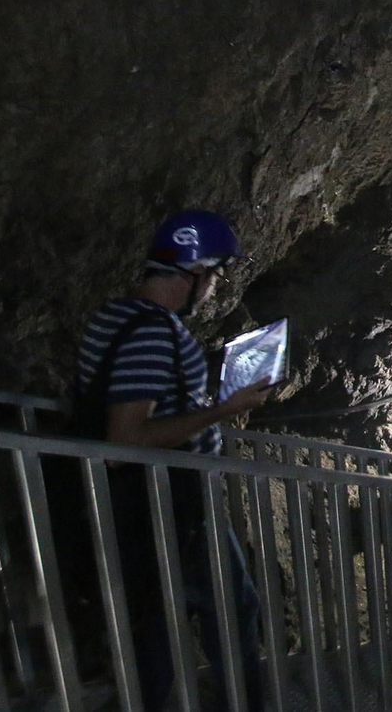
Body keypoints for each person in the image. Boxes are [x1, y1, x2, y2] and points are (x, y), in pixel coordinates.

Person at [74, 209, 274, 712]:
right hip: (172, 504)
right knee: (230, 610)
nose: (214, 289)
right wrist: (223, 410)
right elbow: (125, 436)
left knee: (160, 623)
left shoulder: (113, 318)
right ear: (195, 271)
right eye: (216, 276)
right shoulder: (154, 333)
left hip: (145, 504)